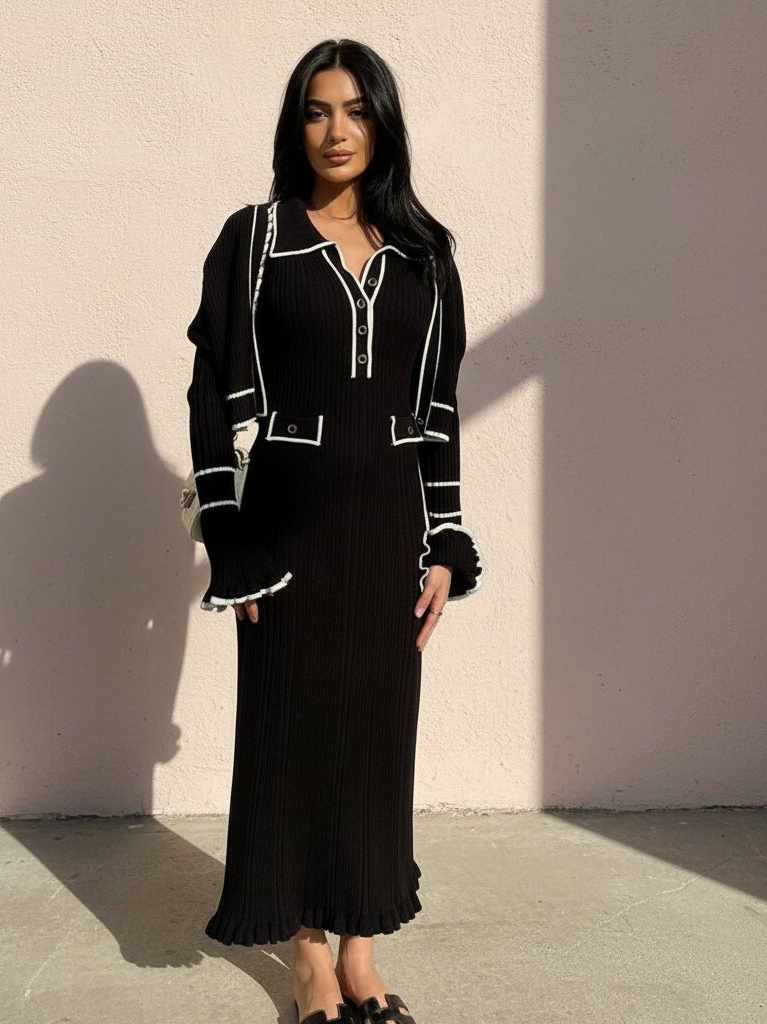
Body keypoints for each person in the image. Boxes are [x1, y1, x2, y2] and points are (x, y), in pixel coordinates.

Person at [185, 38, 483, 1024]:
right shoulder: (258, 238)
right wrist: (230, 536)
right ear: (296, 125)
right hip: (287, 530)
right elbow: (210, 391)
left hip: (389, 528)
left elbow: (439, 408)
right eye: (317, 110)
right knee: (289, 732)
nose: (337, 130)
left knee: (374, 737)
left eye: (356, 110)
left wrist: (443, 542)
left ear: (383, 123)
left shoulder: (425, 252)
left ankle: (361, 949)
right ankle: (307, 953)